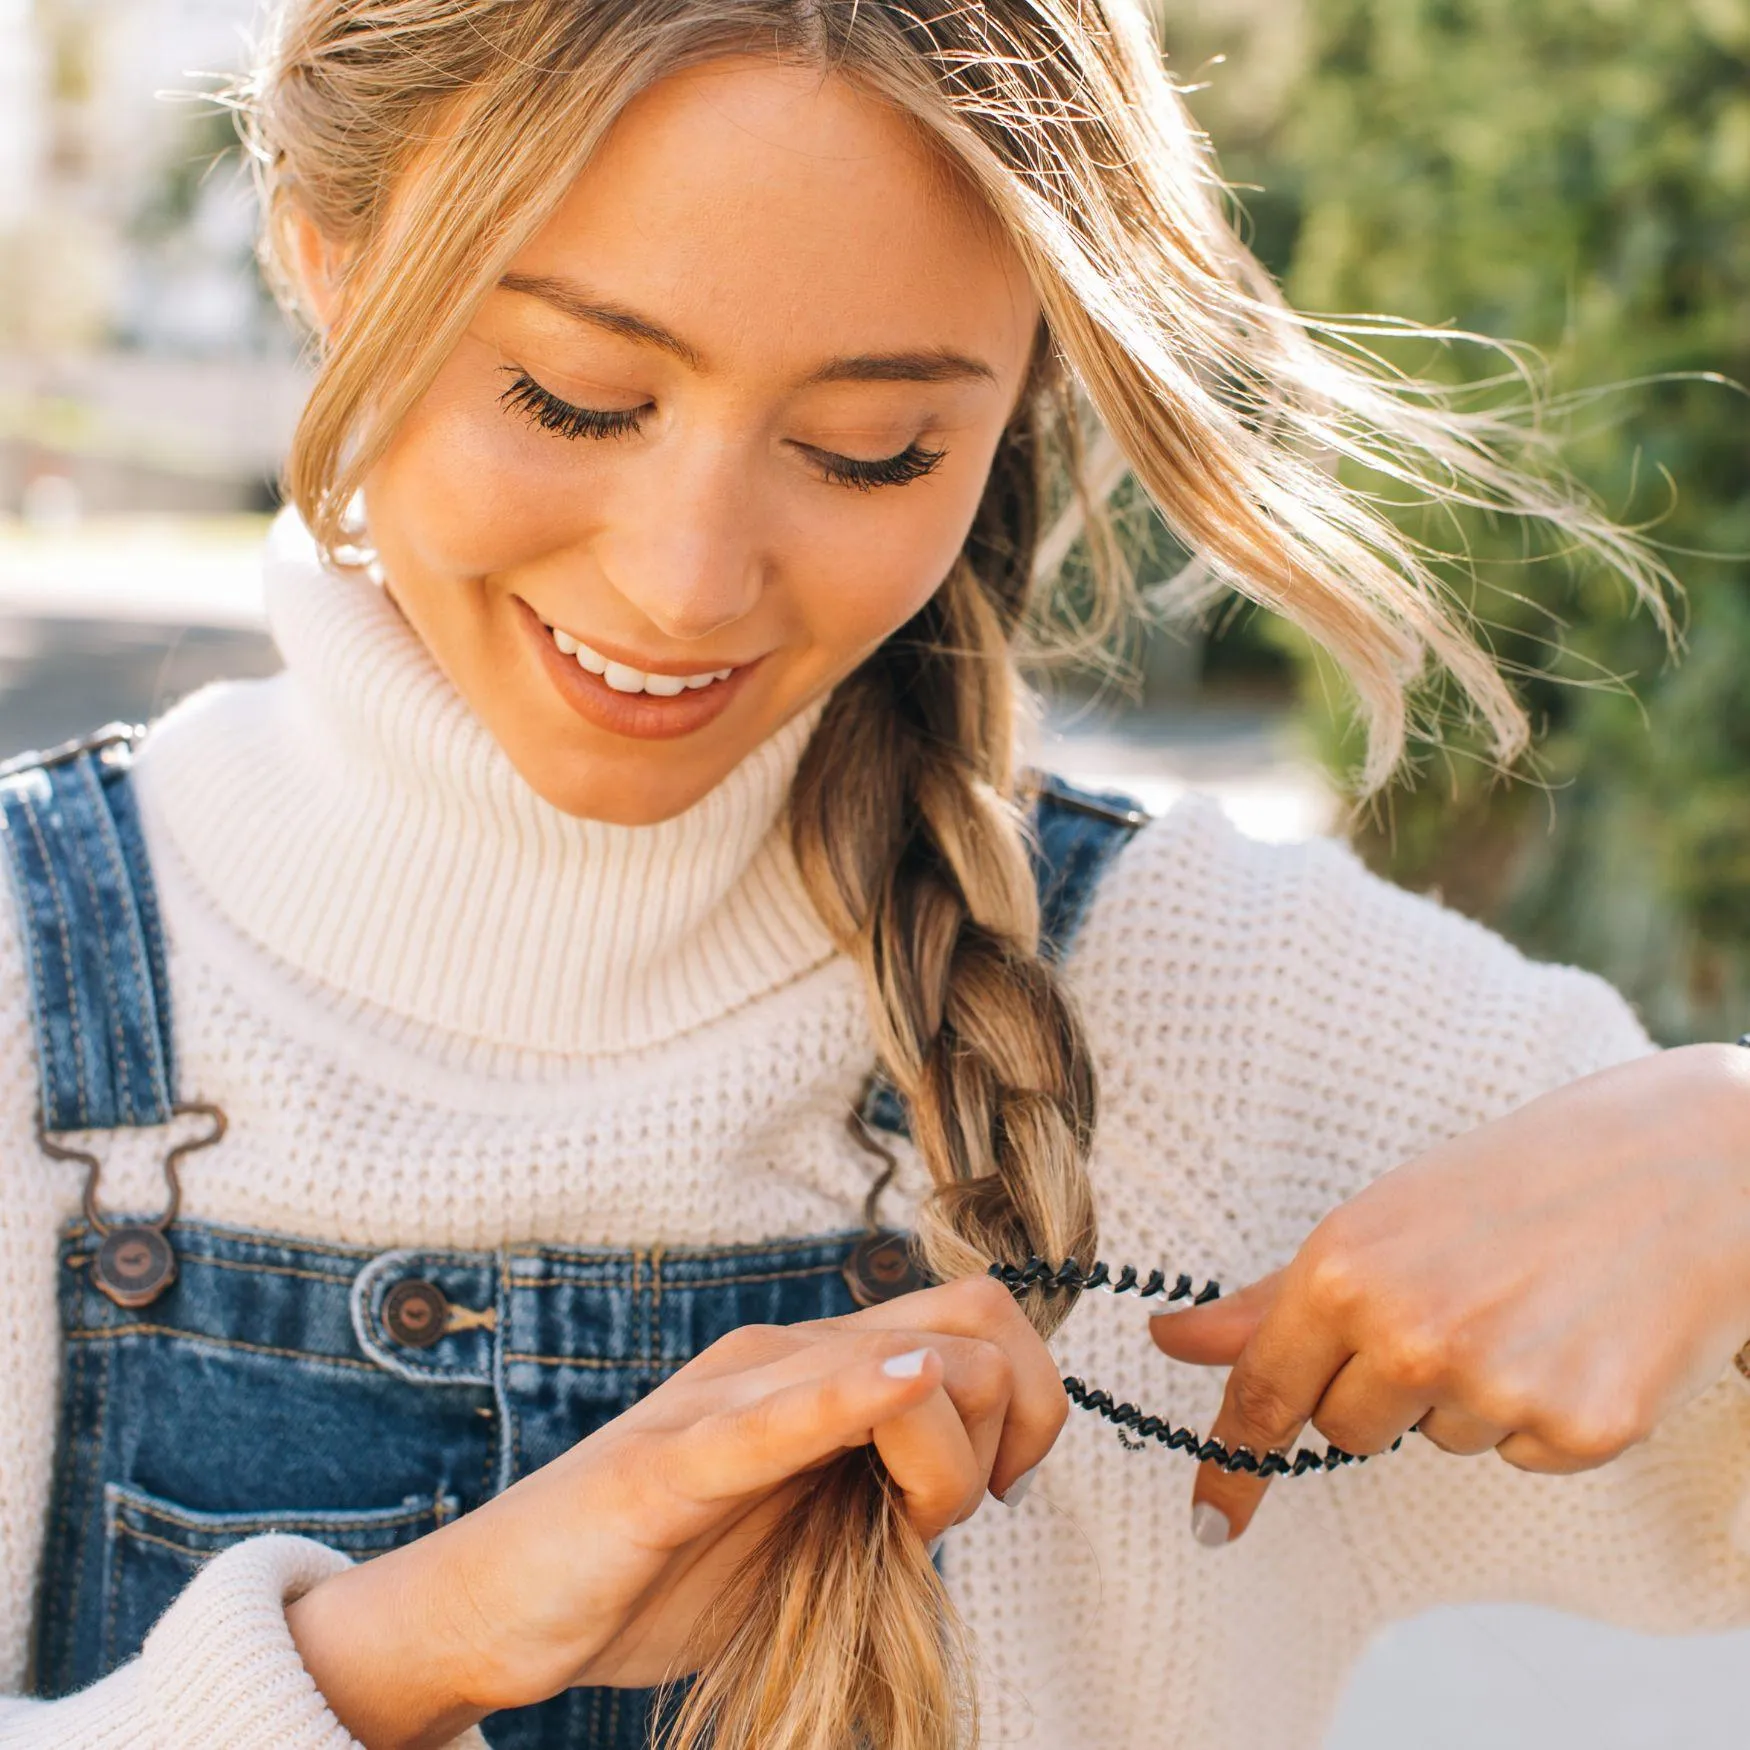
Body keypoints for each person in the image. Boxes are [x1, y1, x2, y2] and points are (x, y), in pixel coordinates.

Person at [2, 3, 1748, 1747]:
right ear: (322, 257)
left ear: (1019, 396)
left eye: (868, 446)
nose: (687, 582)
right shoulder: (26, 986)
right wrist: (397, 1651)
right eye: (576, 394)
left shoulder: (1248, 1018)